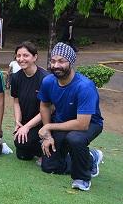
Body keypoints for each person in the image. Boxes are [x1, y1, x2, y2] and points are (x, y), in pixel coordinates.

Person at [38, 42, 104, 191]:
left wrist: (48, 126)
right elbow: (44, 105)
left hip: (89, 123)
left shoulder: (84, 86)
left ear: (71, 62)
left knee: (75, 138)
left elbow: (82, 124)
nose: (56, 65)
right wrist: (48, 135)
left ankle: (82, 177)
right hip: (63, 122)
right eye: (53, 61)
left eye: (61, 61)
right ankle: (89, 158)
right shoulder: (48, 81)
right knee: (49, 167)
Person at [10, 42, 48, 161]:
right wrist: (18, 122)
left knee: (23, 143)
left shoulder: (45, 78)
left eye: (26, 55)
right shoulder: (16, 77)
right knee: (23, 155)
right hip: (26, 121)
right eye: (18, 56)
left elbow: (48, 109)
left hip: (44, 122)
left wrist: (26, 127)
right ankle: (40, 147)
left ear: (35, 57)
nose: (21, 59)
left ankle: (52, 148)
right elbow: (16, 101)